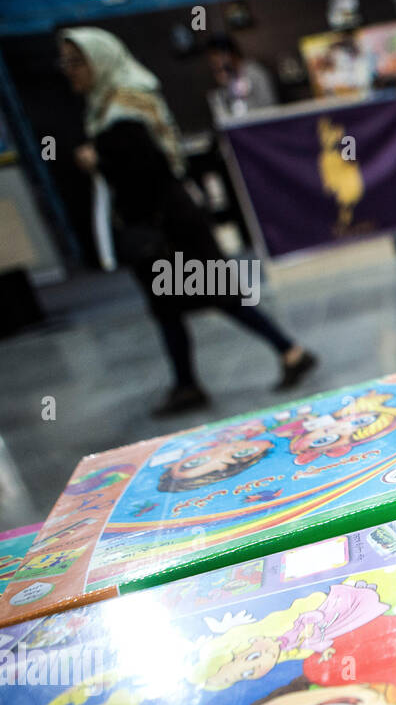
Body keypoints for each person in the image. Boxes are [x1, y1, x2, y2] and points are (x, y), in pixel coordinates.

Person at [58, 27, 317, 417]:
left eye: (77, 61)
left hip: (168, 228)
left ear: (100, 60)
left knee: (215, 297)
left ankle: (286, 352)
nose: (70, 71)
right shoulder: (111, 103)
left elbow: (147, 171)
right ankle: (190, 382)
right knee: (173, 307)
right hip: (166, 224)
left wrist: (99, 160)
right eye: (66, 63)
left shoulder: (122, 109)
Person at [205, 34, 278, 119]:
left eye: (217, 55)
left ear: (230, 54)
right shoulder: (223, 77)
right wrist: (224, 86)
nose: (215, 63)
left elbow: (271, 104)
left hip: (263, 123)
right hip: (240, 127)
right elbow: (222, 115)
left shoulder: (254, 72)